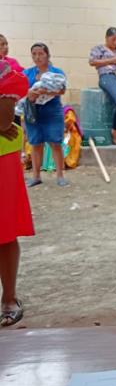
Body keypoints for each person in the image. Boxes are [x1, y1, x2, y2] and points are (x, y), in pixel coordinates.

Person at [0, 61, 33, 327]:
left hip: (2, 156)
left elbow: (3, 120)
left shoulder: (4, 72)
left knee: (4, 231)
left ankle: (9, 298)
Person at [23, 43, 68, 188]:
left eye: (41, 53)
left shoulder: (56, 72)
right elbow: (21, 91)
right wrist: (30, 94)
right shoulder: (27, 73)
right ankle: (36, 176)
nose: (37, 57)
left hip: (52, 112)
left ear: (47, 55)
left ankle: (60, 175)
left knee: (55, 143)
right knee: (36, 143)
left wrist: (47, 92)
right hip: (33, 112)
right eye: (34, 54)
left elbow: (62, 90)